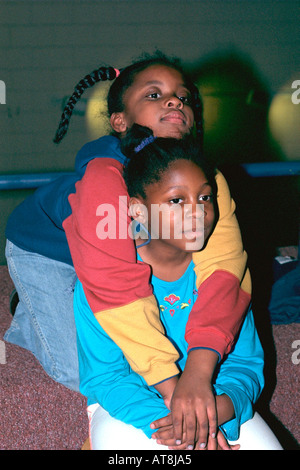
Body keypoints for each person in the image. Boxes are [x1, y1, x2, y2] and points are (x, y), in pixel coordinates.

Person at [4, 53, 250, 414]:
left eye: (183, 96)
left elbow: (226, 266)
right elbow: (114, 281)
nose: (174, 101)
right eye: (154, 95)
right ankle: (28, 308)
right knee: (80, 370)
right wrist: (169, 384)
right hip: (48, 249)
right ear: (120, 121)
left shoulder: (205, 176)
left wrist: (198, 369)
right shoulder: (106, 177)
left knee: (147, 347)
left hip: (121, 251)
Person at [74, 125, 282, 450]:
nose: (196, 213)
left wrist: (213, 413)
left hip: (216, 405)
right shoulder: (104, 279)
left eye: (204, 197)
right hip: (136, 410)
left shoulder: (223, 276)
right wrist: (183, 428)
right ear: (138, 211)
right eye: (176, 200)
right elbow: (107, 378)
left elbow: (246, 365)